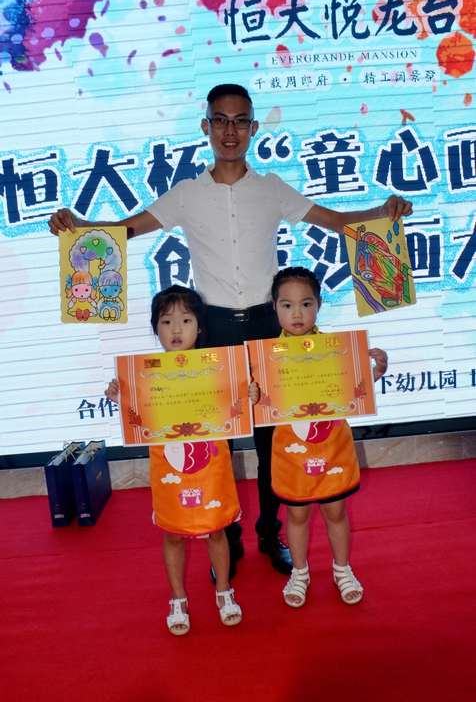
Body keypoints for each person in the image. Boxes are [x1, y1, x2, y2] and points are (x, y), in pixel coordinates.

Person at [48, 82, 413, 579]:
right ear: (206, 126)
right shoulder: (186, 194)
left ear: (253, 128)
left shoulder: (272, 188)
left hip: (268, 326)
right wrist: (76, 226)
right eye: (220, 120)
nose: (230, 130)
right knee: (215, 440)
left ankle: (269, 532)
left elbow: (338, 221)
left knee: (271, 441)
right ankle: (228, 534)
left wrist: (384, 212)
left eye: (240, 120)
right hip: (213, 328)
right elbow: (127, 230)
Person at [105, 285, 259, 635]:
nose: (176, 329)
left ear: (200, 327)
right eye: (166, 321)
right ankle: (178, 598)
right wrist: (121, 395)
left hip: (211, 464)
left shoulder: (220, 368)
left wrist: (249, 394)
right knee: (173, 534)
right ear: (155, 328)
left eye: (186, 320)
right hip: (168, 467)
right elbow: (138, 416)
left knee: (216, 530)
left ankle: (224, 590)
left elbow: (235, 410)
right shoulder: (145, 375)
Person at [267, 266, 388, 608]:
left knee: (335, 512)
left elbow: (355, 390)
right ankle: (300, 573)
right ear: (274, 307)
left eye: (306, 304)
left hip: (332, 445)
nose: (297, 314)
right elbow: (256, 404)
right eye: (287, 305)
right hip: (291, 451)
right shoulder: (265, 357)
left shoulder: (338, 350)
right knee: (296, 515)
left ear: (319, 304)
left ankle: (342, 569)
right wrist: (252, 392)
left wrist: (375, 371)